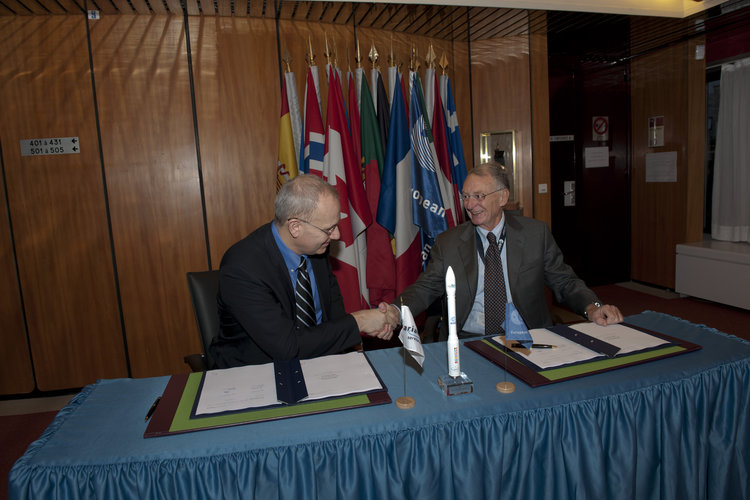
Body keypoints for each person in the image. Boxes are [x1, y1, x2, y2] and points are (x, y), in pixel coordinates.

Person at [387, 163, 622, 338]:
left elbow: (565, 282)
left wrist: (594, 307)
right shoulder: (449, 242)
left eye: (479, 196)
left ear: (502, 197)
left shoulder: (534, 234)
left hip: (527, 336)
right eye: (466, 197)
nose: (470, 205)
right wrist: (395, 312)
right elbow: (425, 288)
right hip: (470, 339)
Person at [209, 174, 395, 368]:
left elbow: (333, 309)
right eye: (329, 229)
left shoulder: (315, 246)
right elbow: (287, 348)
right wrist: (359, 322)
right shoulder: (242, 268)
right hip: (254, 374)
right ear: (295, 227)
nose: (337, 235)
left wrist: (354, 340)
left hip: (319, 364)